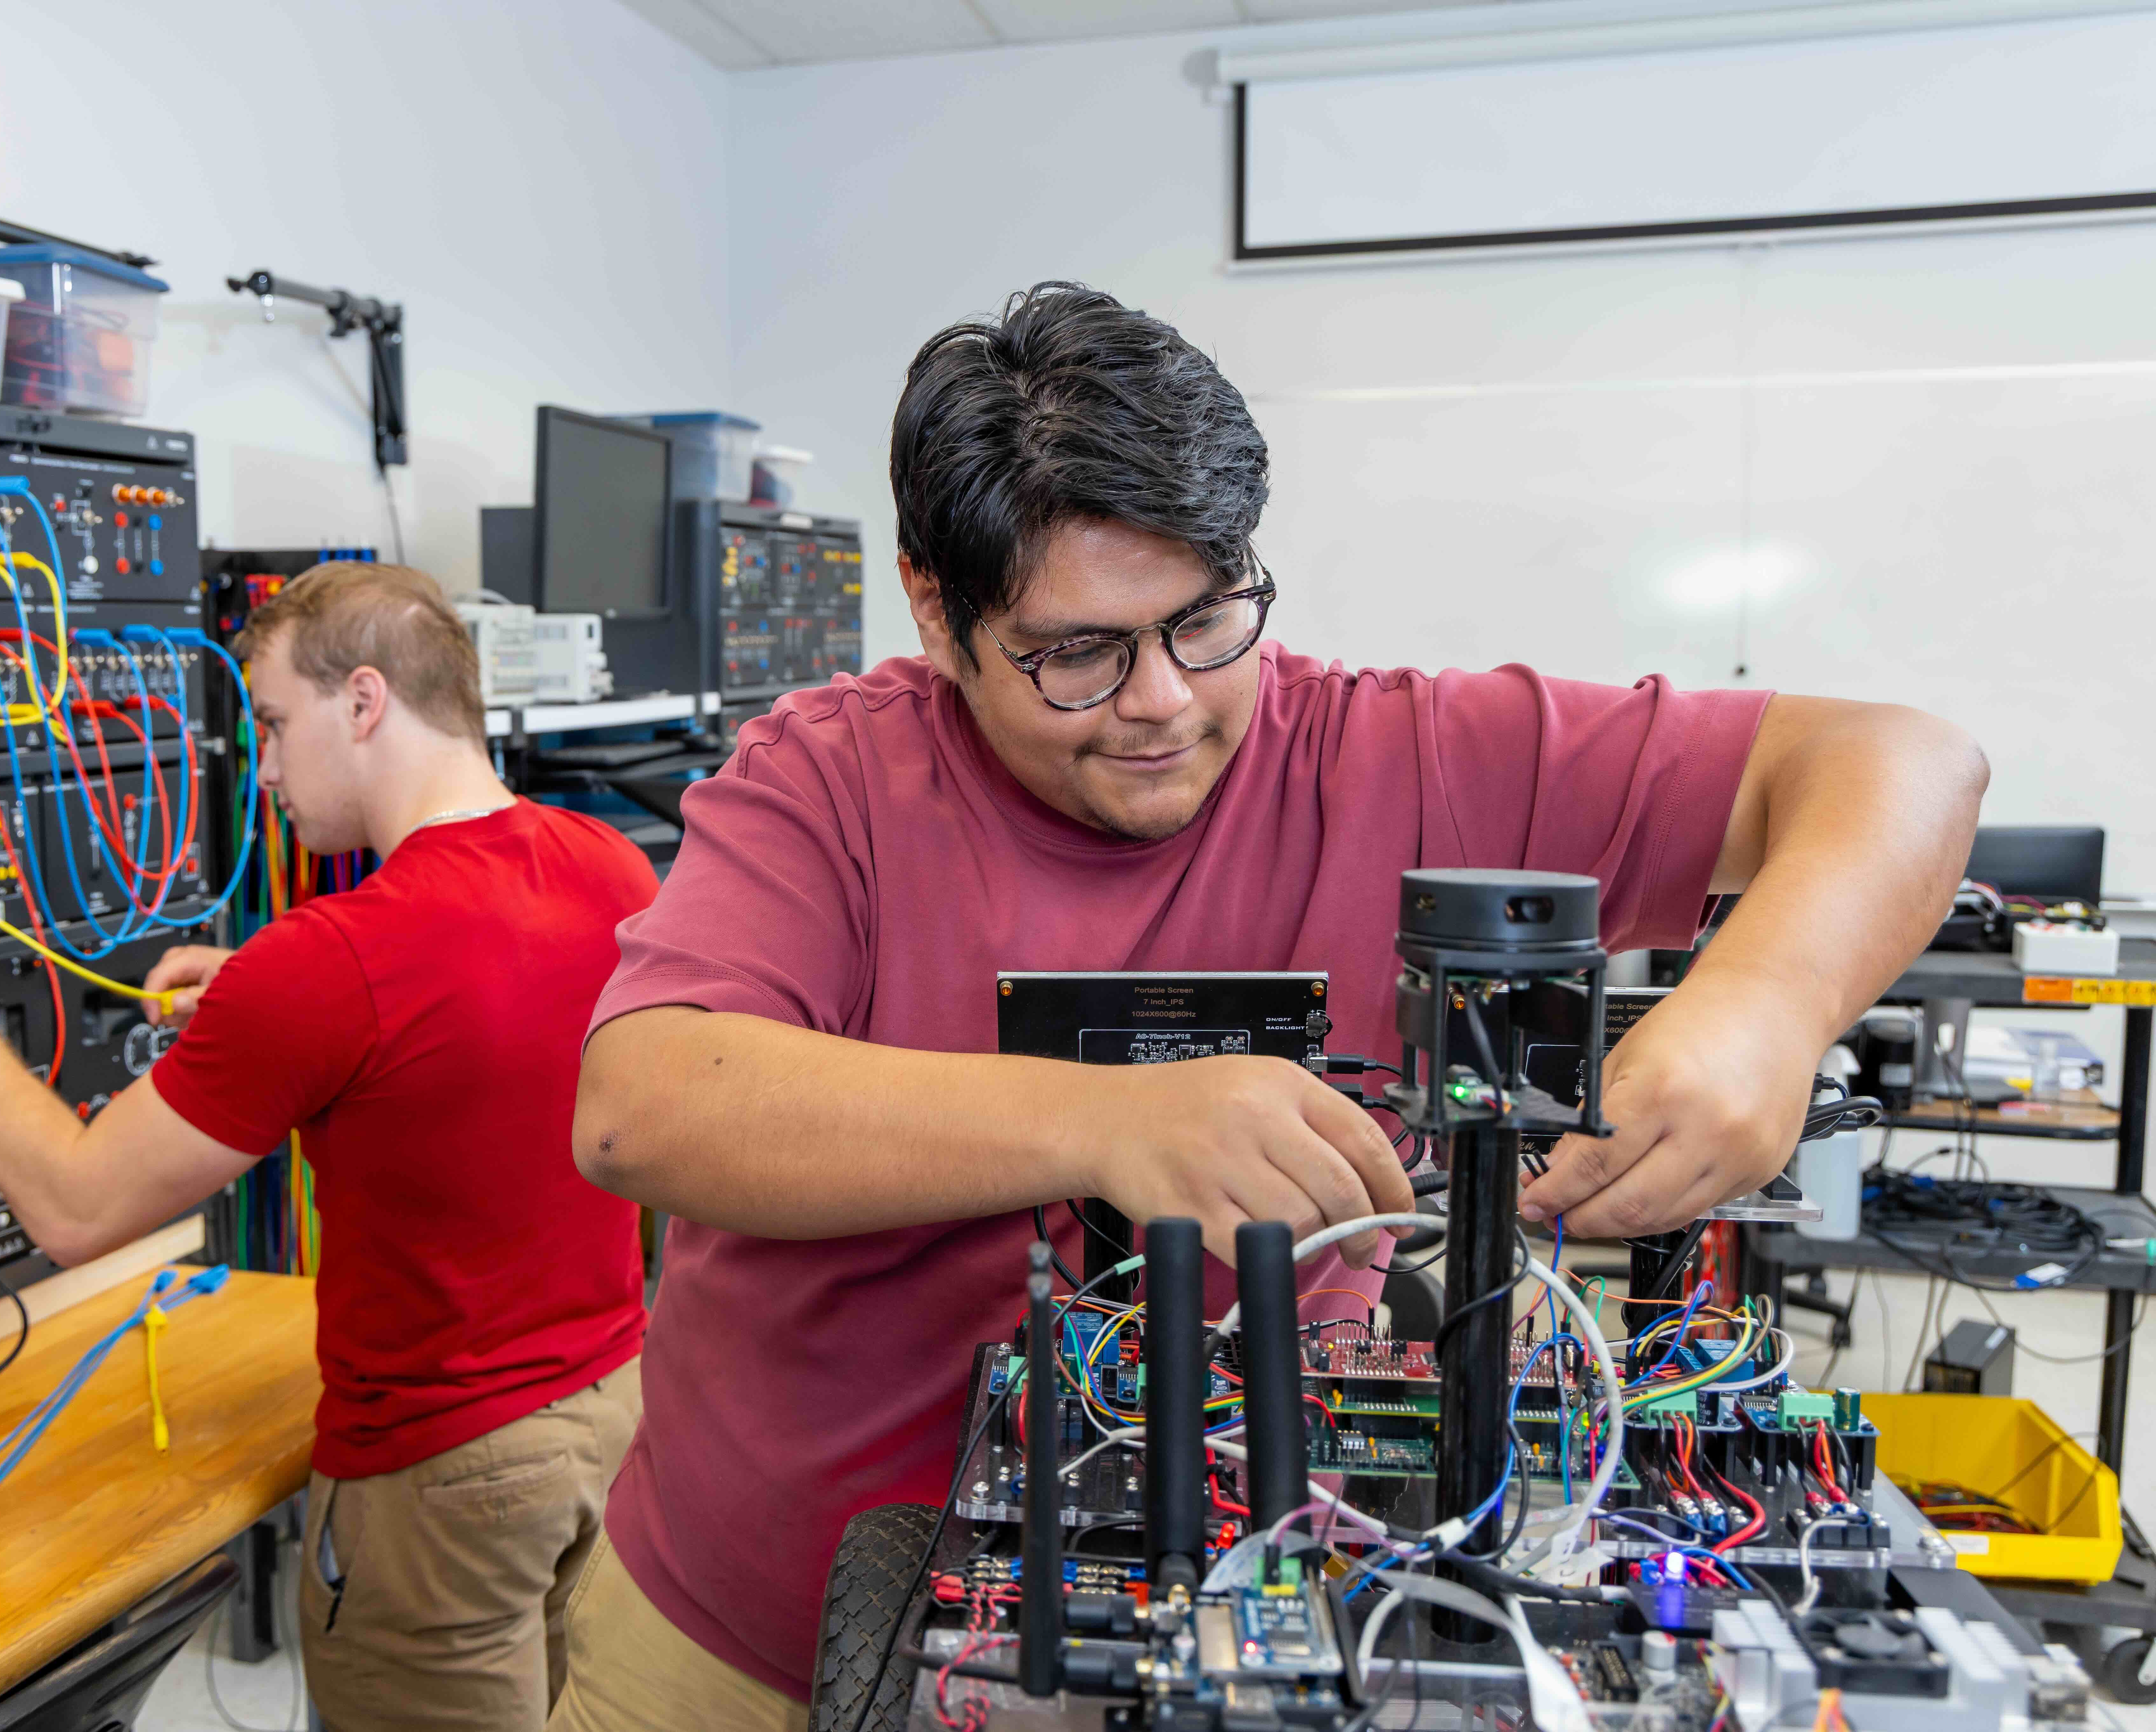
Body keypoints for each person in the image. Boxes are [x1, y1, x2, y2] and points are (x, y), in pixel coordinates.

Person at [544, 283, 1986, 1730]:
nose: (1162, 700)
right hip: (748, 1642)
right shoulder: (829, 784)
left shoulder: (1403, 754)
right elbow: (645, 1104)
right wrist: (1106, 1121)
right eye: (1078, 652)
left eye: (1203, 619)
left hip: (1236, 1635)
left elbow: (1904, 763)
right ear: (937, 608)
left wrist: (1764, 1002)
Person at [0, 562, 660, 1732]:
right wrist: (271, 1007)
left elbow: (73, 1206)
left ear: (364, 702)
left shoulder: (328, 964)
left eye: (270, 723)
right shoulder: (603, 862)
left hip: (444, 1477)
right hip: (611, 1418)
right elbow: (471, 1034)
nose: (261, 768)